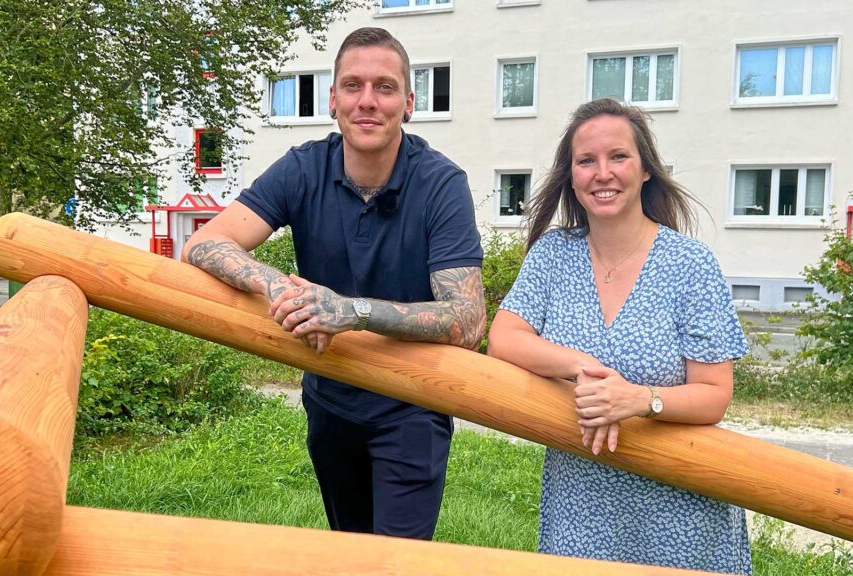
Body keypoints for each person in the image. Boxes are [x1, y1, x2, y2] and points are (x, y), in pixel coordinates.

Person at [181, 27, 485, 540]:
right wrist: (275, 285)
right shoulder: (304, 167)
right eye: (353, 85)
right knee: (347, 554)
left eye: (385, 87)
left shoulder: (440, 183)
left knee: (396, 566)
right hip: (330, 398)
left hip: (411, 404)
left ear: (409, 103)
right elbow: (204, 243)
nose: (368, 101)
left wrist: (353, 310)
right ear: (333, 99)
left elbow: (468, 319)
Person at [486, 98, 751, 574]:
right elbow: (504, 338)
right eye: (586, 161)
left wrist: (637, 399)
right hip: (581, 501)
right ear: (571, 176)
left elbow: (715, 396)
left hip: (678, 509)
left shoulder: (690, 265)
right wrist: (583, 369)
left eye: (618, 157)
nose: (601, 173)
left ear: (646, 169)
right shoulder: (553, 255)